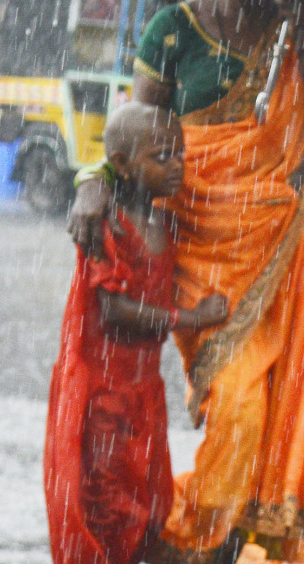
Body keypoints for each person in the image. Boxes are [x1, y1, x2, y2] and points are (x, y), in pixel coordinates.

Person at [68, 0, 304, 564]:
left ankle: (245, 546)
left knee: (280, 422)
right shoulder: (174, 31)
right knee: (238, 409)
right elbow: (131, 136)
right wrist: (94, 184)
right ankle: (184, 540)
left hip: (290, 253)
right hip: (202, 252)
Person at [45, 103, 228, 564]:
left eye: (179, 155)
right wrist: (190, 319)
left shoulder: (166, 222)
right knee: (108, 511)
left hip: (144, 392)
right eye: (161, 157)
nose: (176, 167)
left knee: (150, 506)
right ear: (122, 164)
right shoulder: (105, 225)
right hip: (104, 396)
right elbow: (114, 309)